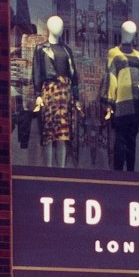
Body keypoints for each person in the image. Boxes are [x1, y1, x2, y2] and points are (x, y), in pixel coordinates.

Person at [103, 19, 139, 171]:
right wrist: (110, 103)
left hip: (136, 103)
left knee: (132, 142)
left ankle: (130, 174)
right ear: (123, 33)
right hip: (121, 103)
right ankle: (118, 174)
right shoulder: (114, 53)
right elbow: (111, 78)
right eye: (127, 31)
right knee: (119, 141)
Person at [32, 15, 79, 167]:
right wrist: (38, 95)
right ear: (49, 27)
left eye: (61, 25)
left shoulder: (67, 50)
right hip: (49, 91)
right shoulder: (41, 48)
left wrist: (76, 98)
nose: (59, 28)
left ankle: (61, 169)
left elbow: (74, 74)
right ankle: (49, 169)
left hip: (65, 92)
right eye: (55, 24)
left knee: (63, 134)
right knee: (48, 132)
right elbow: (37, 72)